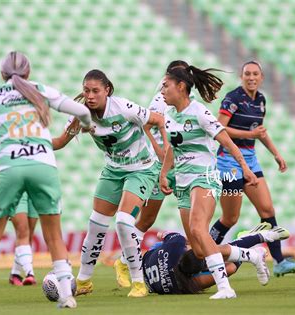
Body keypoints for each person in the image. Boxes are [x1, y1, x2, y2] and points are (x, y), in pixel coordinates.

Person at [0, 51, 92, 310]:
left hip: (10, 166)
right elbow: (82, 110)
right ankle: (66, 296)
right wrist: (87, 123)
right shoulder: (39, 90)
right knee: (54, 236)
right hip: (42, 165)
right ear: (28, 73)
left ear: (2, 74)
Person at [61, 69, 168, 298]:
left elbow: (158, 120)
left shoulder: (124, 108)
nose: (90, 95)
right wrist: (32, 144)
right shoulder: (81, 115)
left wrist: (162, 154)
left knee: (123, 221)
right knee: (96, 225)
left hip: (142, 169)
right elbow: (61, 141)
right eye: (86, 90)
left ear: (107, 91)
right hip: (113, 171)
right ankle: (84, 281)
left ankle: (138, 283)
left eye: (95, 91)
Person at [159, 65, 259, 299]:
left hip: (204, 176)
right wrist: (164, 174)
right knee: (199, 248)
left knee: (197, 228)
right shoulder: (169, 115)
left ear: (181, 87)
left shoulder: (200, 113)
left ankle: (225, 288)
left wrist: (245, 168)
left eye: (166, 86)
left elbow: (227, 142)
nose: (161, 90)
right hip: (182, 183)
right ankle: (248, 254)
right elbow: (173, 148)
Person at [209, 61, 295, 277]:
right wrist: (249, 136)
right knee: (230, 218)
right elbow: (219, 127)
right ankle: (203, 251)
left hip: (251, 161)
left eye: (255, 74)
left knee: (267, 211)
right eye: (247, 74)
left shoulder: (261, 100)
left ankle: (279, 261)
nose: (251, 77)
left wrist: (276, 153)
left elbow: (259, 132)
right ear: (241, 77)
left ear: (261, 78)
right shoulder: (233, 98)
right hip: (229, 163)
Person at [113, 60, 193, 289]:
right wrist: (160, 153)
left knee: (193, 219)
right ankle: (124, 261)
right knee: (147, 219)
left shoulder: (187, 98)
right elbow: (147, 124)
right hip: (161, 166)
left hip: (184, 165)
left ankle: (202, 259)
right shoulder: (161, 96)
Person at [0, 126, 79, 286]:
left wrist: (75, 126)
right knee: (22, 229)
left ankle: (15, 273)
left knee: (28, 232)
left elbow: (58, 142)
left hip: (34, 185)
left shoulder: (37, 130)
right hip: (14, 186)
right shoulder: (4, 128)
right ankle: (30, 272)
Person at [142, 223, 291, 295]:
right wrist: (193, 243)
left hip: (151, 257)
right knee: (215, 255)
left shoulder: (187, 283)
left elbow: (230, 268)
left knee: (215, 254)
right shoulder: (177, 245)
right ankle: (256, 239)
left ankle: (257, 240)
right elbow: (161, 233)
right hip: (150, 261)